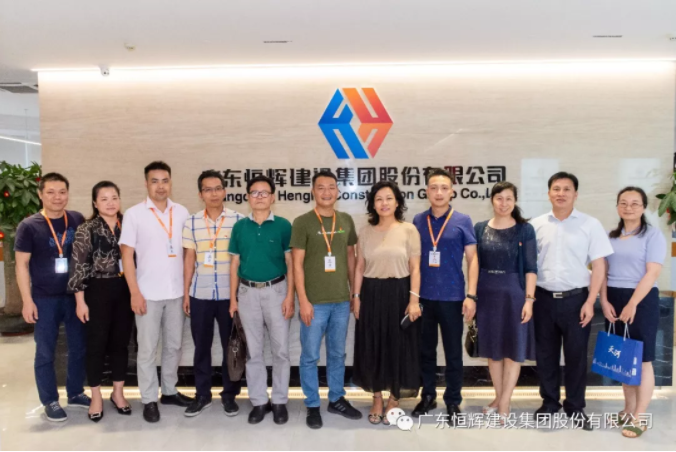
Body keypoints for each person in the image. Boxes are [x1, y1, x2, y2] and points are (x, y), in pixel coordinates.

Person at [530, 171, 613, 431]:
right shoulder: (535, 225)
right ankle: (549, 402)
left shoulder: (590, 224)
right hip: (543, 299)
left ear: (575, 194)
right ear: (548, 193)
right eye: (556, 189)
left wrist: (590, 301)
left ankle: (575, 406)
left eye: (567, 189)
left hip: (577, 300)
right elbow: (528, 265)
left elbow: (599, 266)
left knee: (576, 355)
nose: (561, 193)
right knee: (546, 355)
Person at [119, 161, 193, 423]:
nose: (160, 186)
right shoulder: (134, 214)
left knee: (174, 346)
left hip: (176, 293)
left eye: (165, 181)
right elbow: (126, 256)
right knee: (148, 350)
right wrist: (134, 292)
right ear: (146, 183)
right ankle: (149, 398)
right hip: (147, 294)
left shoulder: (182, 212)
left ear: (170, 182)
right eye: (155, 181)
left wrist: (187, 291)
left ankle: (169, 391)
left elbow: (188, 254)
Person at [15, 172, 90, 422]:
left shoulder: (76, 219)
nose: (57, 197)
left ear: (68, 194)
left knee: (78, 347)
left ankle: (75, 392)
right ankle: (50, 400)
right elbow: (21, 265)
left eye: (62, 192)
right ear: (40, 195)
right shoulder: (29, 226)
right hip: (44, 298)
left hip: (74, 296)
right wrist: (27, 300)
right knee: (45, 351)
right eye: (51, 192)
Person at [291, 170, 362, 429]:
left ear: (338, 191)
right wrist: (303, 300)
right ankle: (312, 404)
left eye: (331, 187)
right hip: (314, 303)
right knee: (310, 355)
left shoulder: (346, 220)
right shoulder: (303, 222)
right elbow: (297, 264)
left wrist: (354, 294)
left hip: (341, 301)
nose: (326, 192)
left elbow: (351, 258)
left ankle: (336, 399)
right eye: (321, 187)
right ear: (313, 191)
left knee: (337, 353)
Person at [352, 180, 422, 425]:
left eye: (389, 198)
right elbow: (359, 267)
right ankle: (377, 398)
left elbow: (415, 268)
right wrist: (356, 297)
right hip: (371, 292)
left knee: (399, 346)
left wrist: (414, 300)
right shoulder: (365, 231)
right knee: (372, 345)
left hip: (400, 292)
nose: (384, 203)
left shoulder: (409, 230)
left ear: (397, 202)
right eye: (379, 199)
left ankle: (394, 398)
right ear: (373, 204)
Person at [411, 168, 478, 423]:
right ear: (426, 191)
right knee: (425, 351)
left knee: (453, 353)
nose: (438, 192)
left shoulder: (463, 220)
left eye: (444, 188)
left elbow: (472, 260)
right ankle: (428, 396)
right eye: (433, 188)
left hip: (453, 298)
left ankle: (453, 401)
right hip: (424, 298)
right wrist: (412, 297)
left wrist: (471, 295)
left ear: (452, 192)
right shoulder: (418, 221)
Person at [228, 175, 295, 425]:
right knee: (253, 352)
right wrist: (233, 299)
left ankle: (279, 401)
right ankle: (258, 401)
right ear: (248, 197)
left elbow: (290, 263)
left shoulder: (283, 226)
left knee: (281, 351)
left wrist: (290, 296)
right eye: (254, 192)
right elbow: (234, 263)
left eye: (264, 192)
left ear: (273, 197)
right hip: (247, 293)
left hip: (277, 291)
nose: (259, 197)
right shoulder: (239, 227)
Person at [600, 186, 666, 439]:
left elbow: (652, 272)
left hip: (642, 299)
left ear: (644, 207)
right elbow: (602, 272)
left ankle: (640, 417)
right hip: (614, 298)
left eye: (635, 203)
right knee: (624, 358)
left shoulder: (653, 235)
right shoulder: (610, 236)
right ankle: (628, 409)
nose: (629, 207)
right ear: (617, 206)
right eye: (624, 203)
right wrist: (604, 300)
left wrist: (632, 304)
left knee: (643, 359)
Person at [67, 181, 133, 422]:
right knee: (96, 345)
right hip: (96, 290)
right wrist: (80, 301)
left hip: (125, 289)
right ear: (95, 203)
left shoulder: (129, 224)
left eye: (114, 197)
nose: (110, 203)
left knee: (120, 344)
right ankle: (96, 396)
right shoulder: (87, 228)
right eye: (104, 199)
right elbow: (78, 266)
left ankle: (118, 393)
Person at [181, 170, 243, 417]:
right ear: (200, 194)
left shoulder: (239, 220)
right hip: (200, 295)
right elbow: (189, 259)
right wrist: (186, 293)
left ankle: (230, 395)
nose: (214, 193)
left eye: (218, 188)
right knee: (201, 348)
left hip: (230, 296)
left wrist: (238, 296)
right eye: (208, 189)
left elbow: (242, 259)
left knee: (231, 347)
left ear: (224, 191)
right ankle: (202, 395)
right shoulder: (192, 222)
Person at [473, 181, 537, 421]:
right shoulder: (480, 228)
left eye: (509, 198)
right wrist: (472, 297)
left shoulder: (525, 230)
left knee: (513, 350)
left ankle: (505, 402)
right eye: (499, 198)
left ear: (515, 201)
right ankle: (498, 397)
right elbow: (474, 265)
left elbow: (531, 268)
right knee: (493, 351)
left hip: (515, 296)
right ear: (492, 200)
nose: (504, 203)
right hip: (486, 295)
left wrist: (529, 300)